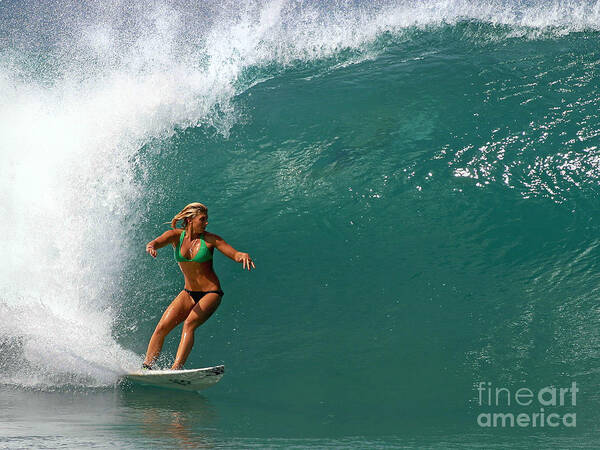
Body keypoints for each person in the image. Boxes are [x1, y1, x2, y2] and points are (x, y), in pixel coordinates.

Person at [142, 202, 255, 370]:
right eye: (202, 219)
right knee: (162, 327)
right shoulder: (175, 236)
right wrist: (151, 246)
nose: (206, 223)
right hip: (188, 293)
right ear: (190, 220)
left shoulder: (211, 239)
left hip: (211, 293)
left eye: (206, 219)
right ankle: (147, 367)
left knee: (189, 324)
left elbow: (234, 254)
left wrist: (242, 255)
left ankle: (175, 369)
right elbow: (156, 242)